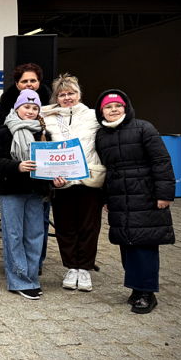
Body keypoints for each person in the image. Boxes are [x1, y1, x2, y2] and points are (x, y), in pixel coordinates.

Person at [95, 90, 175, 314]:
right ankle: (136, 288)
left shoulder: (143, 128)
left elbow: (161, 161)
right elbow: (106, 170)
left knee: (144, 244)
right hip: (119, 197)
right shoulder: (101, 135)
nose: (113, 110)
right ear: (101, 111)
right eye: (108, 107)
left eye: (118, 106)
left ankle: (147, 293)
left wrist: (165, 194)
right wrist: (106, 198)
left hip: (145, 196)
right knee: (127, 244)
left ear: (126, 107)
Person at [0, 89, 59, 300]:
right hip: (12, 191)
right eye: (26, 107)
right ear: (17, 108)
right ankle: (19, 281)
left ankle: (31, 278)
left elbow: (50, 163)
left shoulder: (43, 133)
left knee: (35, 236)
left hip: (36, 192)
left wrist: (55, 178)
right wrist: (17, 166)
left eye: (35, 108)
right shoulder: (3, 132)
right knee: (14, 236)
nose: (30, 111)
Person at [0, 63, 53, 275]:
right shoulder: (4, 115)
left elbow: (53, 155)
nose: (29, 84)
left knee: (37, 229)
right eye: (24, 81)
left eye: (33, 80)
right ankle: (18, 273)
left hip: (37, 187)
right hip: (12, 183)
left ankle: (34, 267)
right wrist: (13, 153)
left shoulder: (48, 116)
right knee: (14, 231)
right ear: (16, 83)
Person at [41, 74, 106, 293]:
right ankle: (71, 267)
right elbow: (43, 148)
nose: (67, 97)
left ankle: (85, 268)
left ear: (79, 94)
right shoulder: (46, 118)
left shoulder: (94, 116)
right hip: (62, 181)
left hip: (89, 179)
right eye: (62, 94)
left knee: (89, 226)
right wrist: (51, 176)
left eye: (71, 93)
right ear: (56, 97)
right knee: (65, 227)